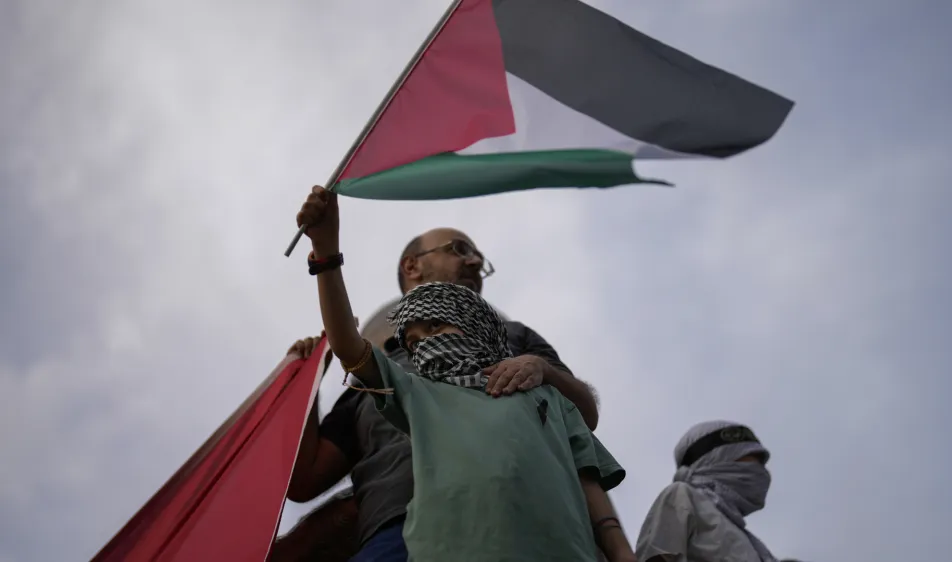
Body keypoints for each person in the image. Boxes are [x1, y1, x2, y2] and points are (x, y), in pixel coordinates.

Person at [293, 186, 633, 562]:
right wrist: (303, 384)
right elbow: (306, 478)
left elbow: (579, 433)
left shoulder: (521, 349)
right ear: (412, 266)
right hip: (401, 537)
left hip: (540, 529)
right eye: (459, 249)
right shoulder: (382, 387)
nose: (473, 262)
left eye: (436, 328)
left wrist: (544, 372)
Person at [635, 420, 779, 562]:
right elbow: (656, 556)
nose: (761, 471)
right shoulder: (683, 496)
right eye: (753, 459)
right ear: (719, 458)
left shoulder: (751, 543)